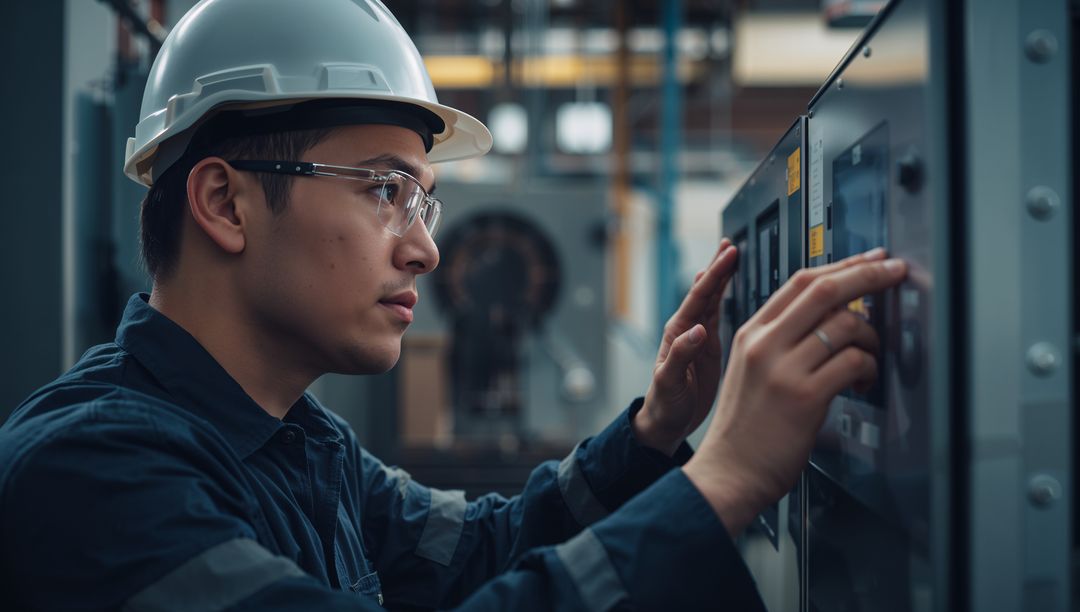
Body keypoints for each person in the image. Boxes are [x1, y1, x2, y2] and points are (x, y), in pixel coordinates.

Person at [0, 0, 907, 610]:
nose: (425, 248)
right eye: (384, 190)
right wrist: (724, 484)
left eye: (421, 201)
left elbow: (483, 548)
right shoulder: (92, 476)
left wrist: (658, 431)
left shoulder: (299, 444)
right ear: (225, 203)